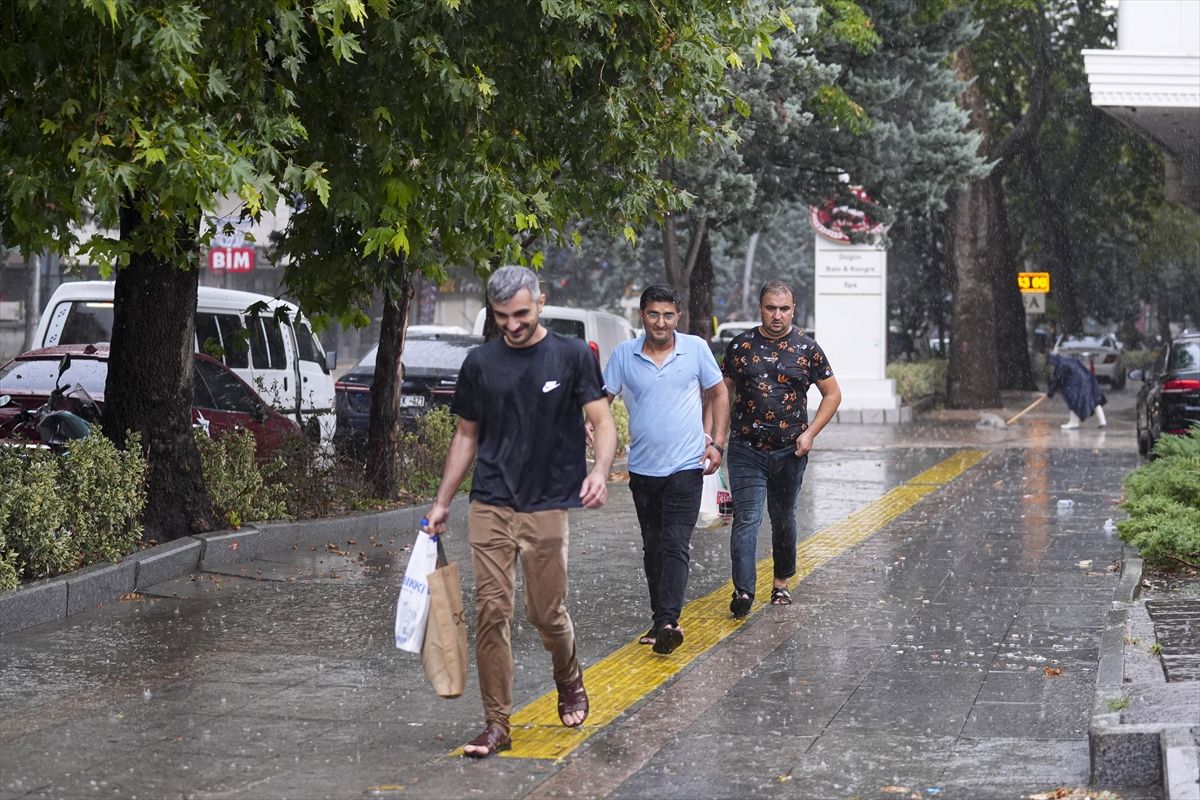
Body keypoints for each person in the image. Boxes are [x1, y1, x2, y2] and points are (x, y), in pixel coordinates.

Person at [423, 265, 617, 759]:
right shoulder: (481, 363)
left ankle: (568, 673)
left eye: (521, 314)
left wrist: (600, 471)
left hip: (548, 503)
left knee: (545, 614)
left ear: (541, 302)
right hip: (490, 501)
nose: (512, 325)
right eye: (502, 316)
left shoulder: (572, 355)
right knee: (491, 612)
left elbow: (601, 420)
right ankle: (497, 723)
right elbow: (466, 435)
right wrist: (443, 501)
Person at [601, 285, 729, 655]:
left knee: (674, 543)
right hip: (643, 471)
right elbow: (602, 399)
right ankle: (660, 620)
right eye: (654, 314)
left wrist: (717, 443)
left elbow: (719, 392)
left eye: (668, 315)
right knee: (653, 546)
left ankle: (669, 622)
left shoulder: (696, 349)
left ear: (678, 317)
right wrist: (591, 423)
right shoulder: (624, 354)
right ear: (642, 316)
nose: (661, 322)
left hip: (686, 466)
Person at [721, 279, 841, 617]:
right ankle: (743, 590)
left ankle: (781, 584)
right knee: (747, 517)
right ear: (760, 308)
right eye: (771, 308)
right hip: (746, 448)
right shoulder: (740, 346)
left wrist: (811, 433)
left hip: (791, 450)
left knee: (783, 518)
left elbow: (833, 394)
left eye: (784, 309)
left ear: (793, 310)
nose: (777, 315)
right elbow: (721, 392)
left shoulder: (807, 348)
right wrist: (715, 436)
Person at [1047, 353, 1107, 429]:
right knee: (1093, 400)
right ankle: (1102, 421)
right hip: (1087, 379)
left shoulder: (1061, 366)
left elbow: (1057, 380)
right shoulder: (1069, 360)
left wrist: (1050, 393)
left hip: (1077, 384)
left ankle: (1074, 422)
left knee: (1073, 402)